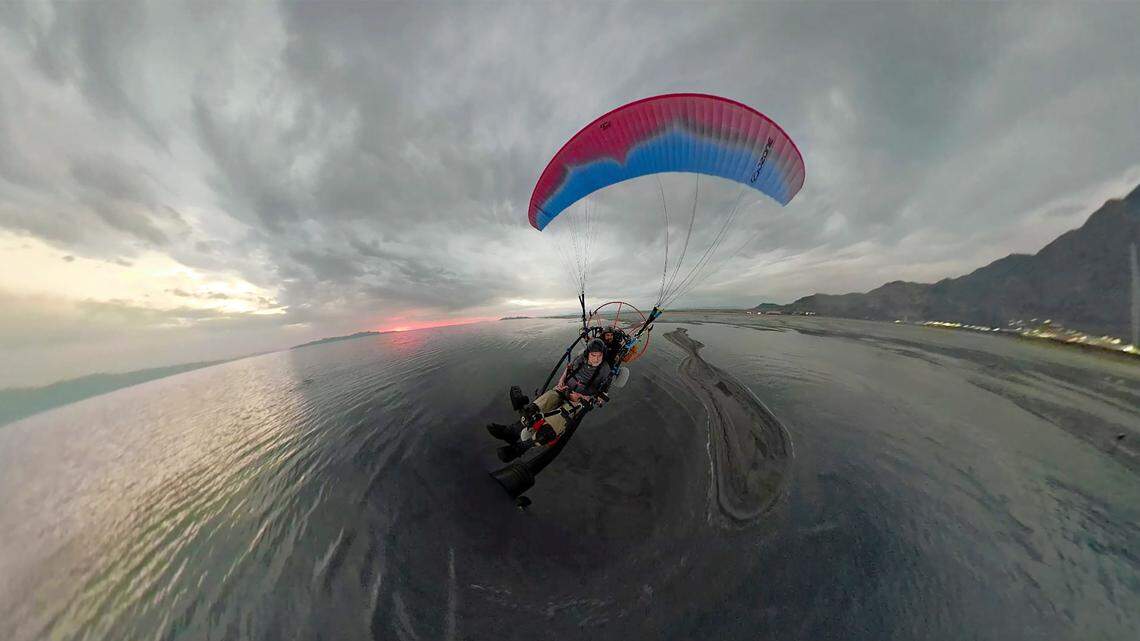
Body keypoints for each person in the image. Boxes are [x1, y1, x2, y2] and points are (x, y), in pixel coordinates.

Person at [487, 338, 612, 462]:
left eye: (599, 355)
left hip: (578, 400)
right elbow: (568, 369)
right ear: (588, 354)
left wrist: (582, 397)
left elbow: (601, 396)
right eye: (593, 355)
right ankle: (511, 432)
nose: (596, 358)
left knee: (547, 430)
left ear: (603, 355)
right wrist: (561, 381)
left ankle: (520, 448)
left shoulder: (605, 369)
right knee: (533, 410)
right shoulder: (580, 359)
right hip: (563, 389)